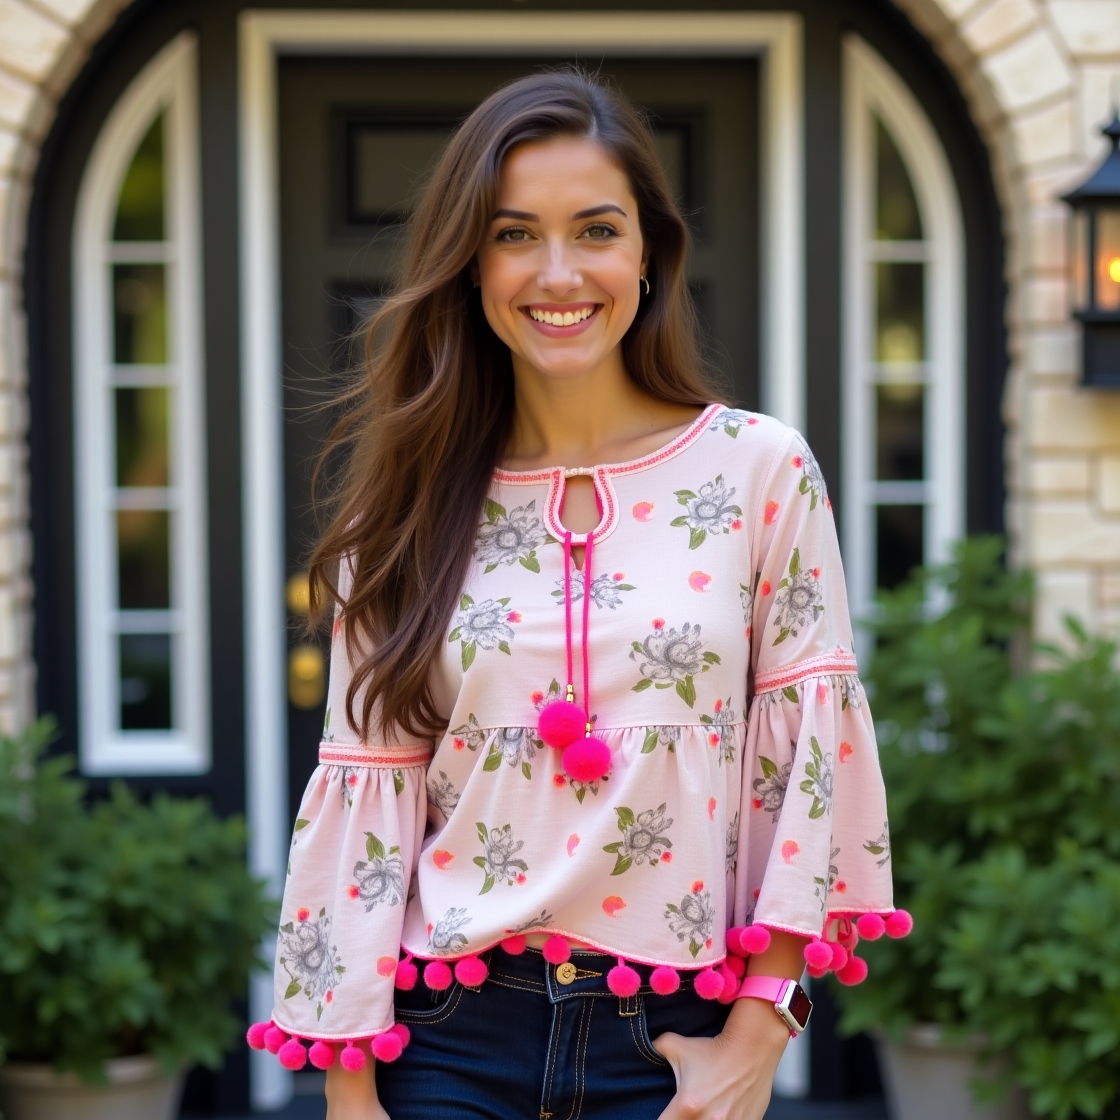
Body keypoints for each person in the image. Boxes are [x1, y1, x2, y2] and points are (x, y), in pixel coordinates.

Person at [246, 68, 909, 1120]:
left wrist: (759, 1037)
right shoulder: (409, 500)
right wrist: (350, 1091)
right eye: (514, 235)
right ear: (472, 264)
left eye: (596, 229)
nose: (558, 272)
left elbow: (804, 772)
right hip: (443, 1042)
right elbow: (369, 798)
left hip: (673, 1040)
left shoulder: (759, 470)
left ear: (647, 252)